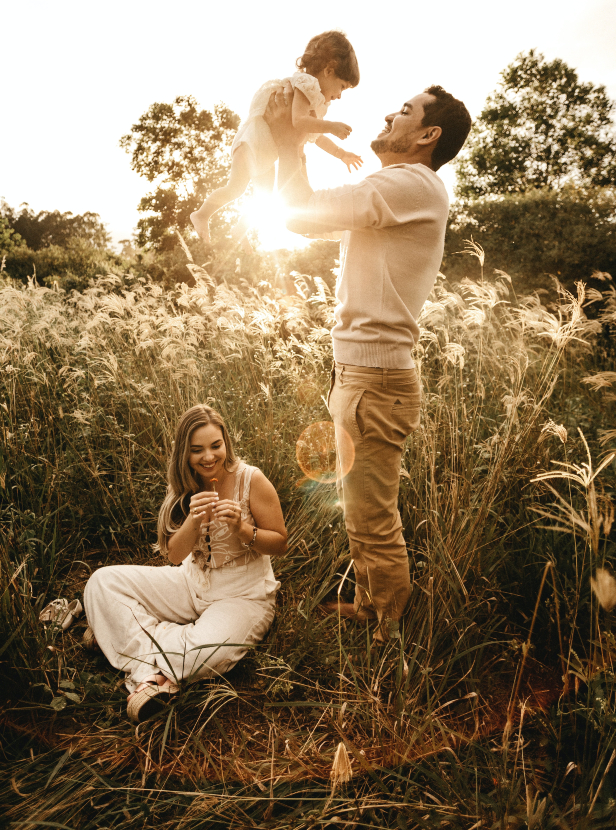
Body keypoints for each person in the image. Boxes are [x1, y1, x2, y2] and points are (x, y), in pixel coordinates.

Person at [265, 85, 472, 643]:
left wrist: (292, 137)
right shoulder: (399, 193)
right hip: (364, 376)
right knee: (359, 509)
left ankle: (389, 635)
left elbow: (302, 210)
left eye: (405, 110)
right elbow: (300, 220)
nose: (388, 112)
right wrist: (293, 143)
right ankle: (369, 603)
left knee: (373, 515)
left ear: (428, 136)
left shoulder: (410, 183)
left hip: (375, 380)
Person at [83, 404, 287, 722]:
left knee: (200, 654)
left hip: (243, 595)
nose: (208, 457)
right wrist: (193, 519)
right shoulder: (186, 483)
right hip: (191, 581)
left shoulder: (251, 480)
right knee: (102, 583)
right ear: (185, 454)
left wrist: (243, 529)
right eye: (197, 450)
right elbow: (175, 556)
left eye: (215, 446)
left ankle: (130, 648)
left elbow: (280, 542)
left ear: (226, 443)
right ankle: (157, 659)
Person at [190, 30, 362, 248]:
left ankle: (241, 229)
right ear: (328, 71)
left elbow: (314, 137)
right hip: (253, 143)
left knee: (266, 198)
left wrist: (340, 153)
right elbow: (299, 121)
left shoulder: (316, 102)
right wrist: (331, 126)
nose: (339, 95)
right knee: (236, 188)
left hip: (268, 151)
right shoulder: (306, 84)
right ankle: (202, 215)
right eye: (342, 87)